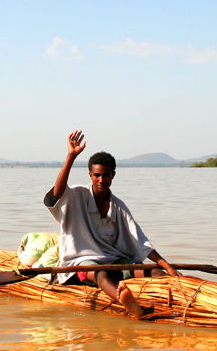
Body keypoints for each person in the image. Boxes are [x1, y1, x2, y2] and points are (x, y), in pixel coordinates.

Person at [44, 130, 179, 318]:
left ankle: (172, 298)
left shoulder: (118, 206)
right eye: (97, 175)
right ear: (90, 175)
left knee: (152, 270)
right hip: (82, 262)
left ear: (113, 175)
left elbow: (139, 240)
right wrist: (71, 156)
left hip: (112, 260)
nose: (101, 180)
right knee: (100, 275)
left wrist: (167, 266)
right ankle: (127, 302)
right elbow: (57, 194)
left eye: (105, 175)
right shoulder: (77, 195)